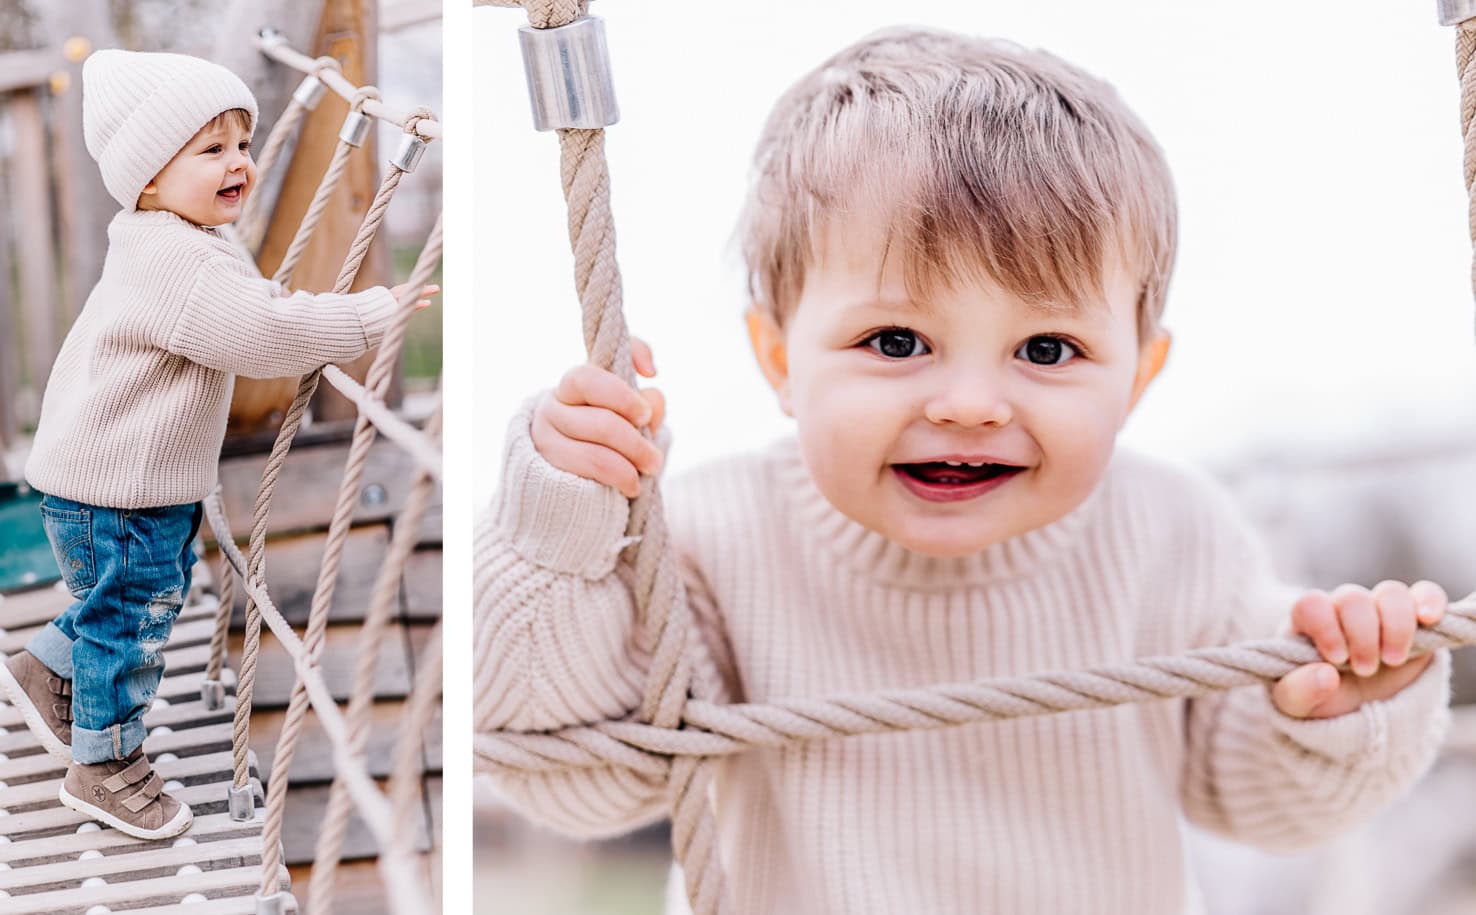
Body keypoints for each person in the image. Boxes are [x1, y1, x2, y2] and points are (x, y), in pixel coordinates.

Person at [474, 28, 1451, 913]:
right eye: (896, 340)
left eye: (1048, 350)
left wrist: (1345, 710)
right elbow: (577, 776)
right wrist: (555, 523)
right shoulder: (716, 538)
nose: (971, 403)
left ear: (1139, 377)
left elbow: (1261, 802)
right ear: (778, 359)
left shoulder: (1174, 531)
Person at [0, 48, 434, 840]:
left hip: (112, 485)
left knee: (119, 602)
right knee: (134, 619)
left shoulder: (171, 235)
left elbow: (250, 304)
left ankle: (47, 667)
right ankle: (105, 765)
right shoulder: (179, 258)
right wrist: (369, 315)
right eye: (212, 149)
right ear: (150, 178)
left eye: (242, 142)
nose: (238, 161)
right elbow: (262, 333)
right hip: (121, 495)